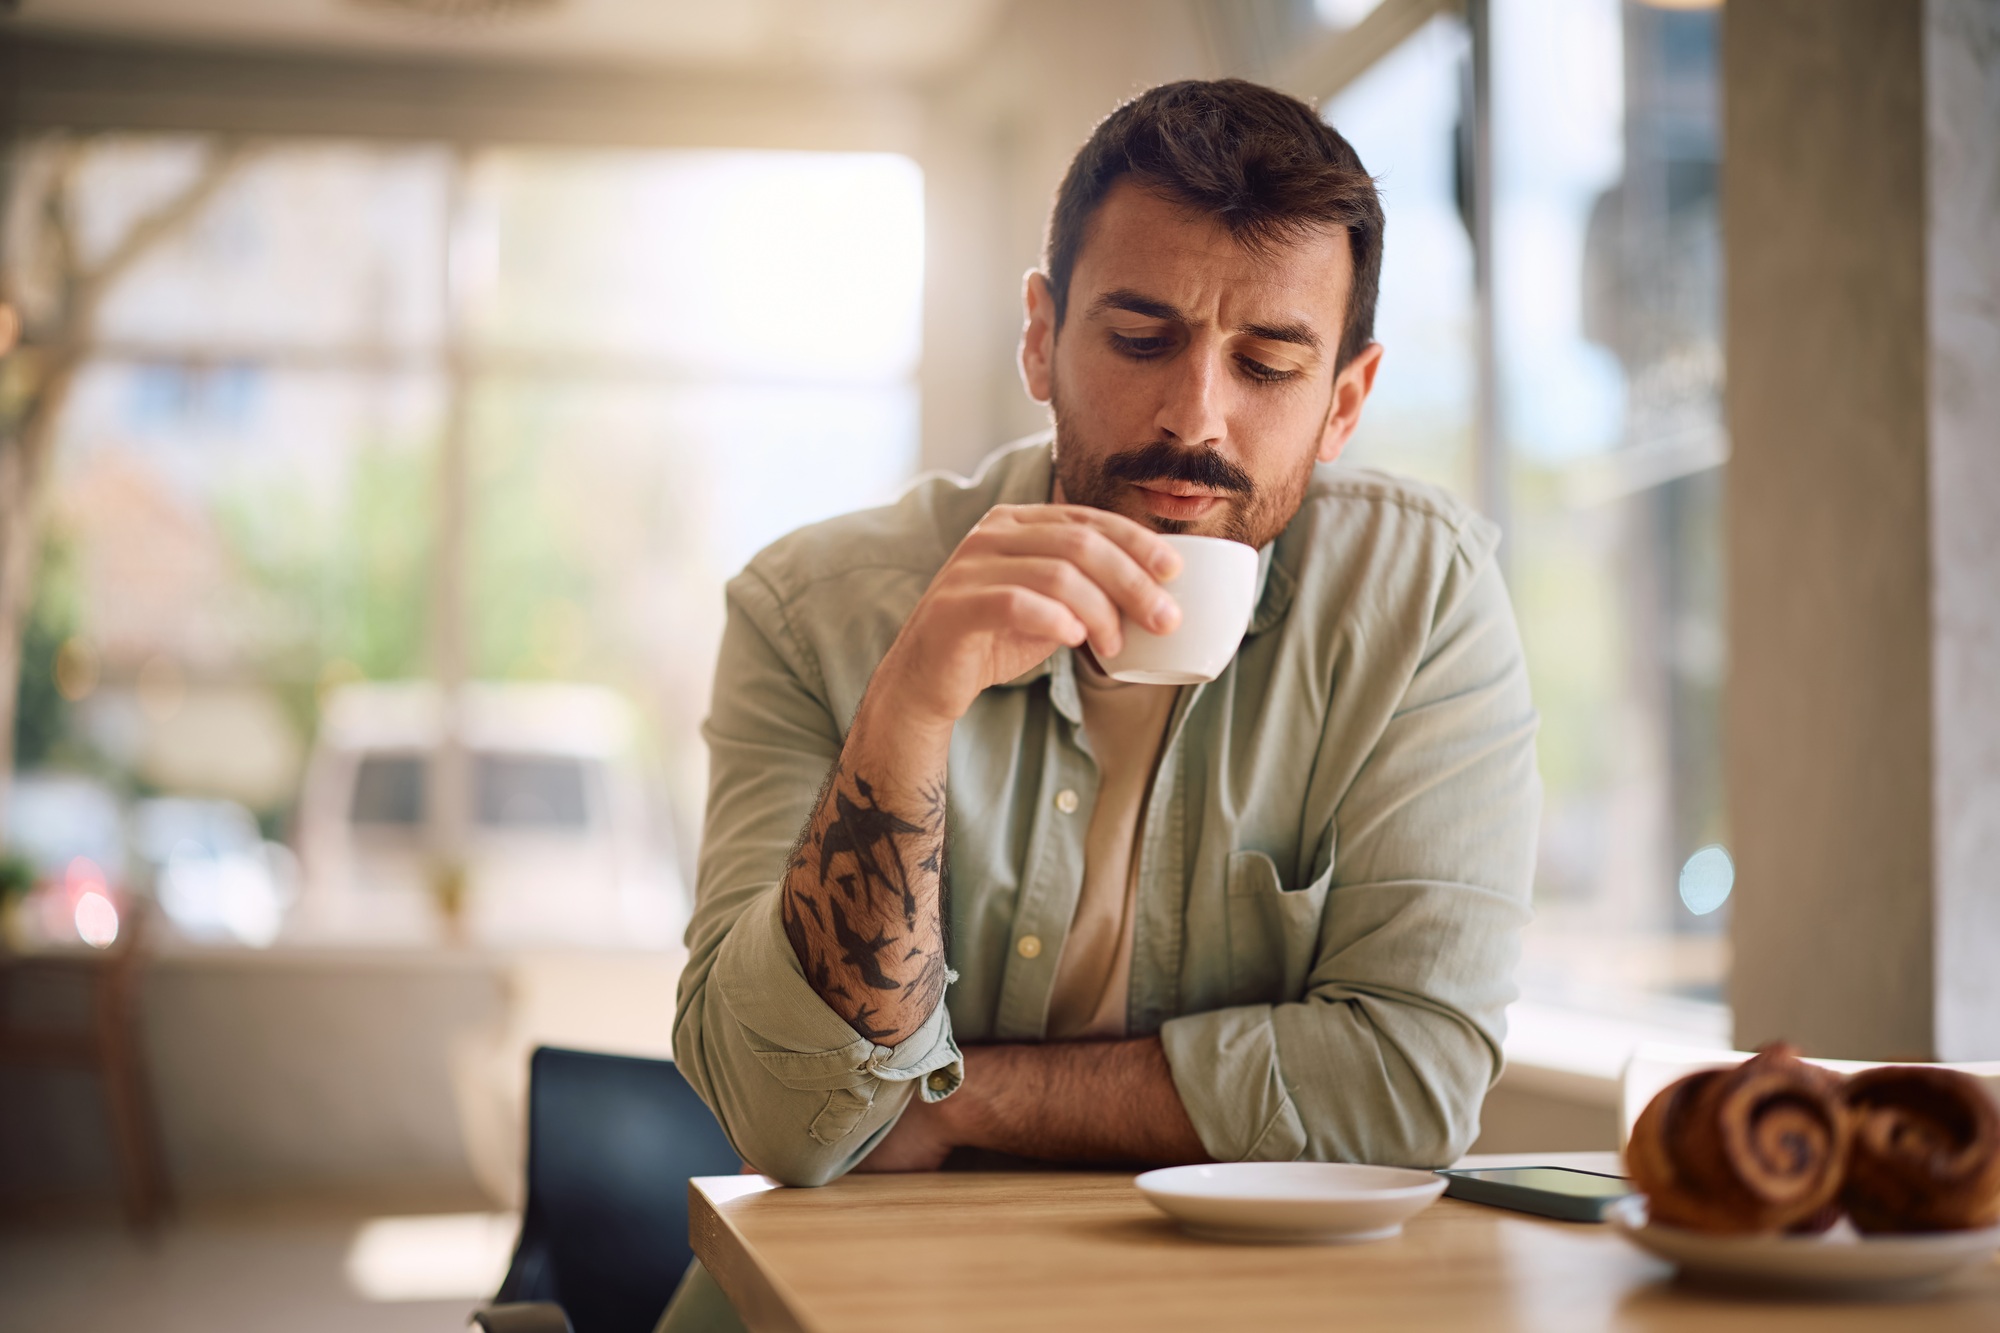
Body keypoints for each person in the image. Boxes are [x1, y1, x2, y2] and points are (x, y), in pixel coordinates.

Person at [675, 74, 1538, 1201]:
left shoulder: (1419, 600)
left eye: (1267, 365)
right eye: (1139, 338)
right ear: (1040, 341)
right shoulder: (808, 609)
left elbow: (1409, 1087)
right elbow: (779, 1119)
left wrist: (952, 1098)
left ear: (1343, 400)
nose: (1194, 417)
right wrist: (910, 710)